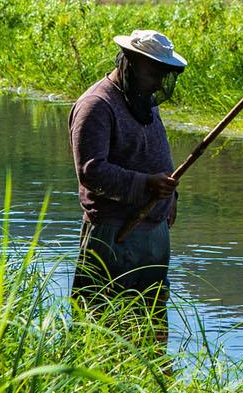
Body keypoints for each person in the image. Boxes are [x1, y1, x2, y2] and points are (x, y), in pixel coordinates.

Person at [69, 28, 187, 345]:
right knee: (100, 331)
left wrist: (170, 196)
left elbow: (155, 155)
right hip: (113, 236)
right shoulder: (96, 105)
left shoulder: (143, 102)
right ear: (129, 63)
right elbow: (92, 172)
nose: (160, 83)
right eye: (153, 73)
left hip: (152, 235)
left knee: (151, 330)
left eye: (164, 75)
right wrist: (146, 184)